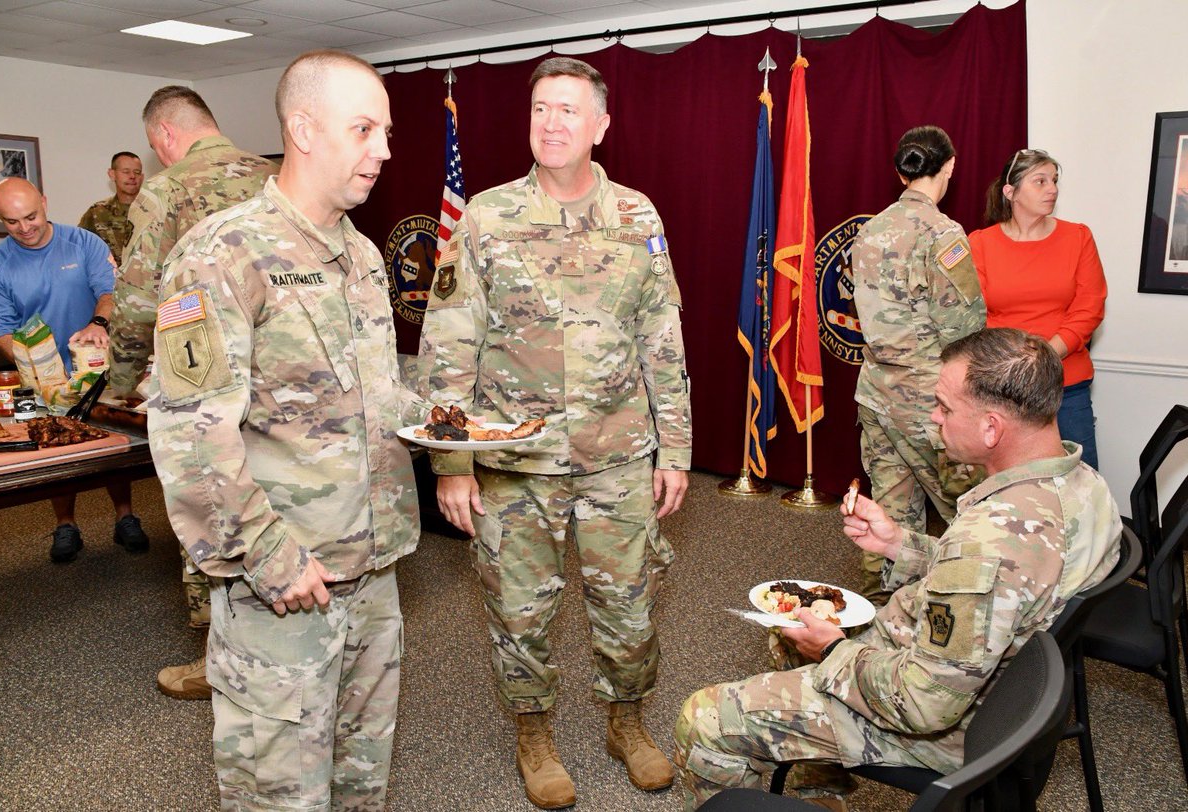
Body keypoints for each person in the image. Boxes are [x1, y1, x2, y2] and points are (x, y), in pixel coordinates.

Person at [674, 327, 1121, 811]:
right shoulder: (1084, 486)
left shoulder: (989, 541)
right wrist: (899, 543)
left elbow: (924, 704)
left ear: (992, 428)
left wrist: (835, 649)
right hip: (990, 687)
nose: (934, 418)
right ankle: (819, 792)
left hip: (947, 724)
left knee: (705, 719)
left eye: (946, 409)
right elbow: (1013, 583)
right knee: (787, 636)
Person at [148, 49, 430, 811]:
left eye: (387, 130)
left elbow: (372, 399)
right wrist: (268, 556)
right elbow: (188, 433)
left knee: (361, 782)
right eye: (365, 128)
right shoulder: (220, 255)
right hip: (286, 585)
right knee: (280, 794)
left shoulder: (363, 256)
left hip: (372, 573)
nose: (384, 150)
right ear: (303, 129)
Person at [416, 56, 691, 809]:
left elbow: (662, 339)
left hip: (620, 456)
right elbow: (448, 346)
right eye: (541, 108)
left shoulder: (639, 217)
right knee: (519, 609)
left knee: (630, 603)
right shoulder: (487, 218)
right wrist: (452, 461)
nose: (552, 123)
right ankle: (533, 733)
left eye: (569, 110)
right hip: (515, 458)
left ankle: (625, 723)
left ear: (601, 125)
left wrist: (678, 448)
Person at [109, 84, 276, 701]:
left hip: (202, 377)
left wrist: (121, 384)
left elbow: (136, 299)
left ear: (163, 139)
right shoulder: (275, 177)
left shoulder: (166, 190)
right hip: (279, 378)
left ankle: (220, 663)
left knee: (212, 503)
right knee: (272, 499)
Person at [851, 125, 985, 606]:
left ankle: (878, 623)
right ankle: (961, 622)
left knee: (887, 516)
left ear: (900, 171)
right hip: (932, 403)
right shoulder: (944, 234)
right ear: (949, 166)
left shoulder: (869, 230)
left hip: (875, 394)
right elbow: (965, 329)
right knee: (968, 515)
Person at [0, 178, 149, 562]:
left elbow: (110, 292)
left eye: (31, 216)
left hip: (95, 366)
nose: (24, 228)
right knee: (55, 446)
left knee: (112, 444)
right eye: (12, 222)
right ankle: (65, 524)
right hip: (42, 376)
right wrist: (33, 364)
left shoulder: (84, 242)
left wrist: (99, 324)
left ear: (44, 202)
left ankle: (125, 516)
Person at [969, 148, 1107, 469]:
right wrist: (1017, 365)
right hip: (1004, 388)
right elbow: (974, 315)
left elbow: (1089, 307)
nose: (1053, 189)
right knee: (1009, 483)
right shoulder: (980, 243)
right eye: (1040, 181)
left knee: (1079, 481)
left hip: (1065, 385)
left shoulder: (1078, 237)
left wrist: (1045, 356)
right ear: (1010, 192)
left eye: (1055, 181)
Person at [78, 151, 144, 265]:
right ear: (112, 174)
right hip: (111, 279)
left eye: (137, 172)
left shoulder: (156, 209)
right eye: (126, 172)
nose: (132, 176)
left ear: (142, 177)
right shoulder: (97, 212)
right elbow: (79, 248)